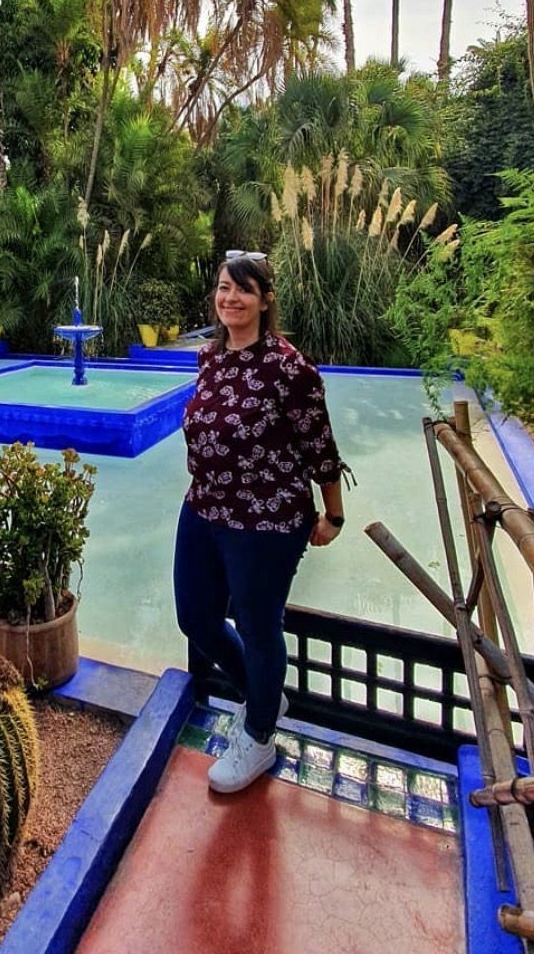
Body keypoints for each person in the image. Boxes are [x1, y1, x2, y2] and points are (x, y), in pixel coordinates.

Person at [173, 249, 350, 794]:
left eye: (243, 290)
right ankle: (263, 693)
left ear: (265, 300)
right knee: (196, 619)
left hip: (266, 520)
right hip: (205, 507)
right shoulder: (210, 357)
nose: (231, 298)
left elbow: (320, 446)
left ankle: (259, 735)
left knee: (258, 626)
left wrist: (334, 515)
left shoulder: (290, 369)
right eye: (224, 287)